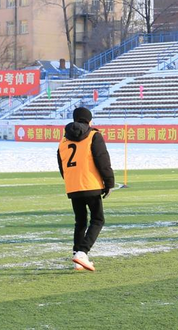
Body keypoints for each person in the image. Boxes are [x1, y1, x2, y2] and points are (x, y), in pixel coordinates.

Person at [57, 107, 114, 271]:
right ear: (89, 120)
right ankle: (82, 252)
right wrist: (109, 182)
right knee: (98, 219)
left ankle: (77, 256)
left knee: (80, 221)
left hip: (73, 186)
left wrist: (71, 181)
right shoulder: (93, 135)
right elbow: (102, 160)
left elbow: (62, 166)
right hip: (91, 184)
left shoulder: (63, 141)